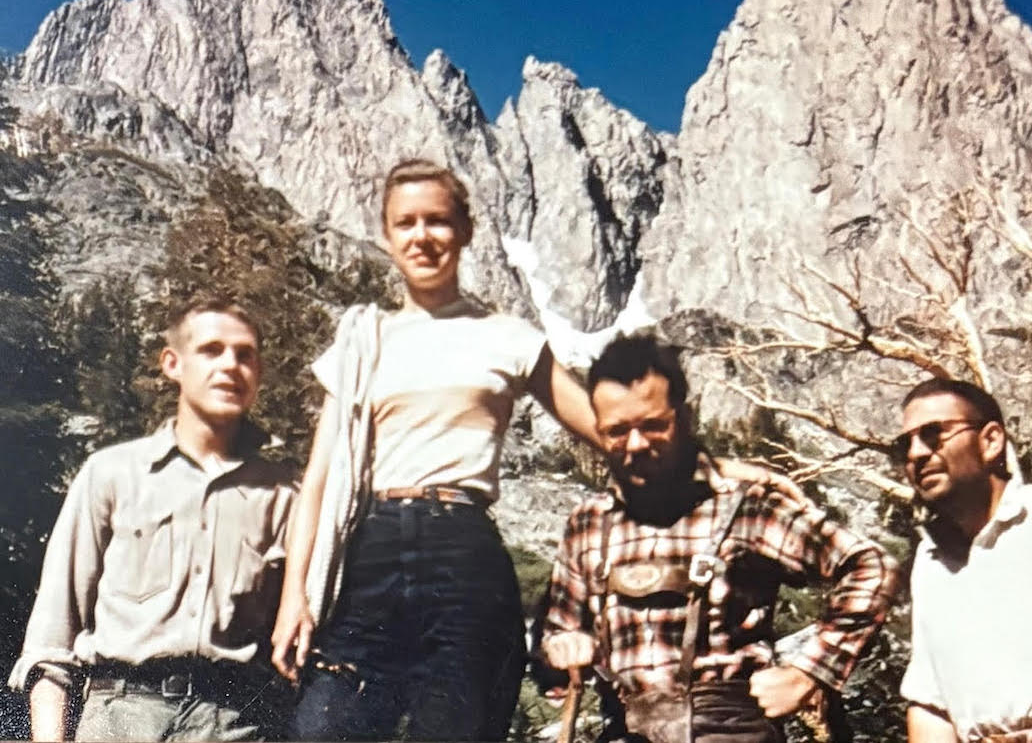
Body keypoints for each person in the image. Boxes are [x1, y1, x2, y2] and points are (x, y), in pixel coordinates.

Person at [271, 159, 789, 742]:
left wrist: (713, 468)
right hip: (370, 551)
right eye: (406, 223)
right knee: (324, 728)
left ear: (465, 231)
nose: (422, 237)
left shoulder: (506, 336)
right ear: (386, 235)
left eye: (438, 221)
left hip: (460, 553)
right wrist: (296, 598)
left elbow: (605, 428)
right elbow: (316, 482)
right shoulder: (362, 338)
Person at [543, 334, 898, 743]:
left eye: (653, 426)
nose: (636, 445)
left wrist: (809, 673)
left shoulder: (746, 507)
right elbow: (559, 637)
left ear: (684, 417)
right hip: (626, 728)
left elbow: (871, 565)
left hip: (730, 729)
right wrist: (563, 645)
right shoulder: (588, 525)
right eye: (616, 432)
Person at [8, 297, 297, 742]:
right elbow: (51, 638)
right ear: (172, 363)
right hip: (121, 714)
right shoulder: (112, 474)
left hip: (235, 722)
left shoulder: (284, 496)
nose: (230, 365)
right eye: (211, 350)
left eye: (245, 355)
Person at [896, 377, 1032, 743]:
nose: (916, 453)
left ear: (991, 440)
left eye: (933, 434)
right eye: (905, 444)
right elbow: (931, 700)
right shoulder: (931, 561)